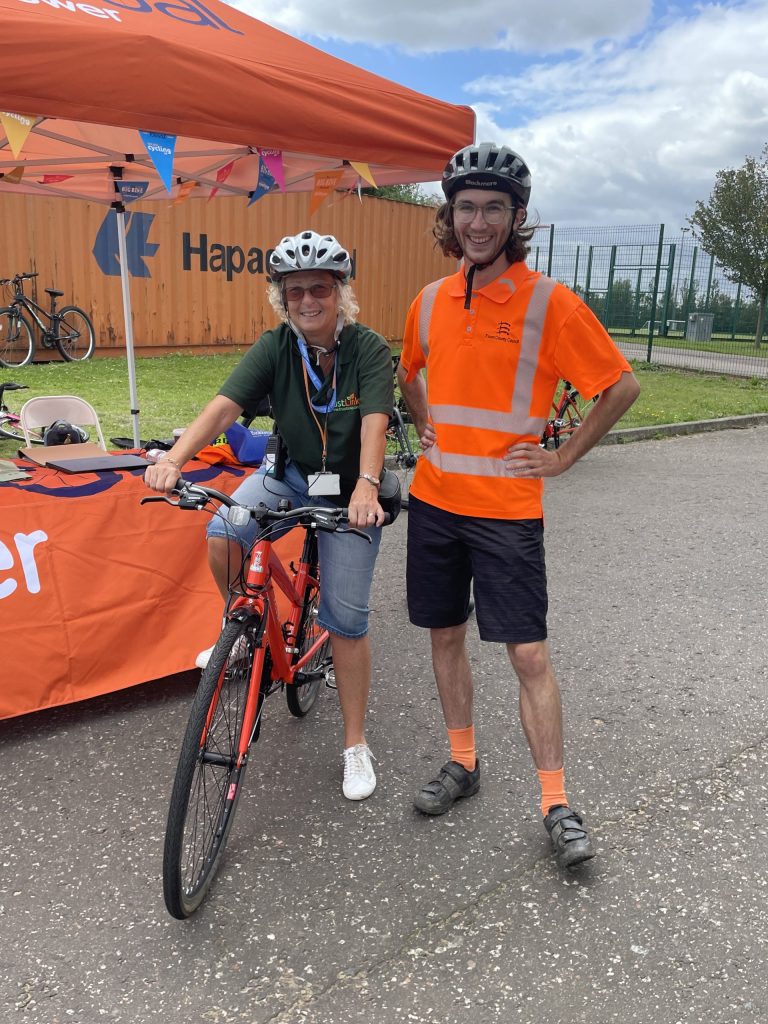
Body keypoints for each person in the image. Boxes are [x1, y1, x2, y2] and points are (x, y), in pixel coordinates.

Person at [397, 143, 640, 868]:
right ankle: (463, 764)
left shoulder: (551, 304)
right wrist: (421, 418)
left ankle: (556, 802)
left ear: (517, 217)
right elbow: (406, 370)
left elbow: (620, 386)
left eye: (493, 208)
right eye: (466, 207)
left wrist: (563, 457)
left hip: (507, 512)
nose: (478, 221)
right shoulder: (430, 301)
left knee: (527, 653)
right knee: (444, 638)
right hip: (436, 502)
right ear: (450, 215)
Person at [145, 230, 393, 802]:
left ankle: (355, 746)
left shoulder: (368, 348)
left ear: (340, 293)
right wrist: (174, 461)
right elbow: (225, 405)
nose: (308, 300)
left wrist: (368, 487)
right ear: (283, 298)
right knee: (225, 528)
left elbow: (376, 418)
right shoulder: (277, 345)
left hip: (353, 484)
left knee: (347, 619)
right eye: (296, 290)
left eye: (321, 289)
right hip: (288, 472)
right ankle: (240, 623)